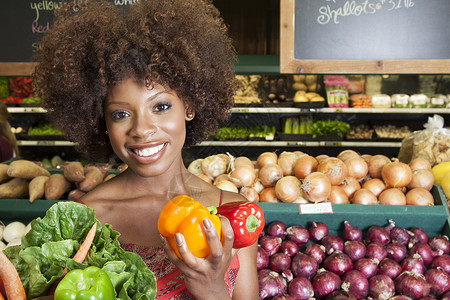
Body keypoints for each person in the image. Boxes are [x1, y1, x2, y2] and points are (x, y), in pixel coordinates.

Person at [33, 1, 259, 299]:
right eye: (120, 114)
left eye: (161, 107)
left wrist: (212, 290)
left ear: (189, 106)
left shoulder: (234, 212)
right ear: (100, 121)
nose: (141, 129)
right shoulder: (88, 218)